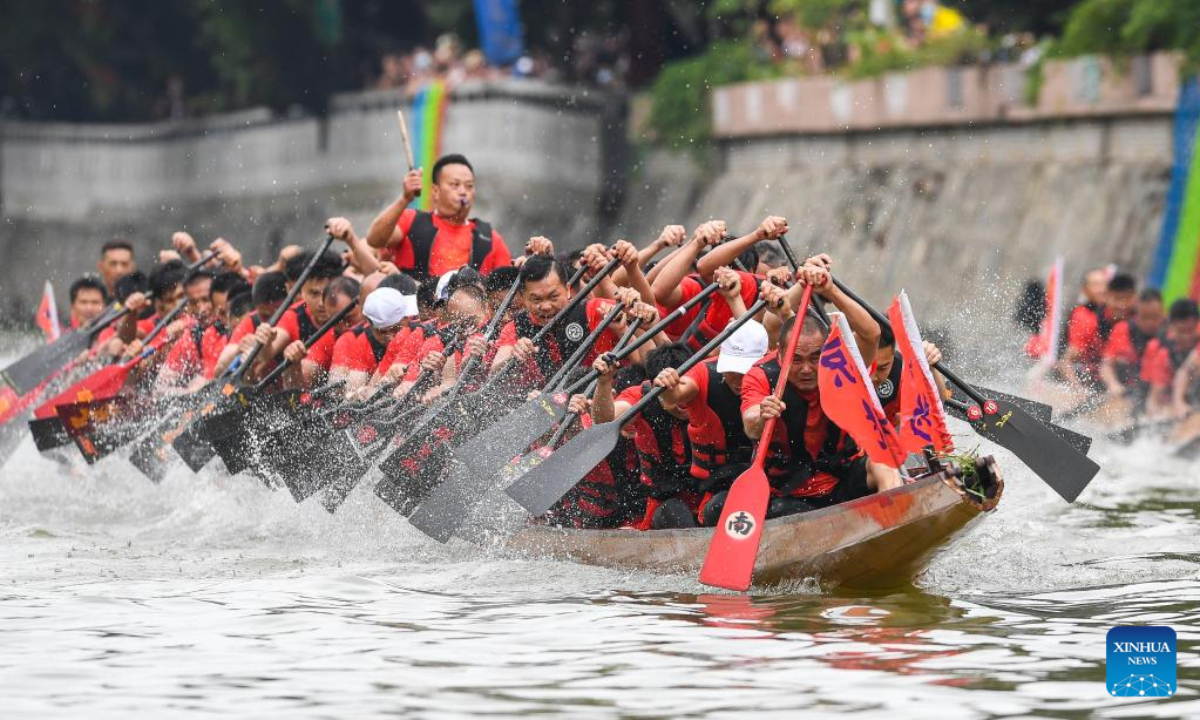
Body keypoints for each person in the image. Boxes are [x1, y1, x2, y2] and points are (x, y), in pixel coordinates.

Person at [734, 260, 897, 520]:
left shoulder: (839, 365)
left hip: (842, 476)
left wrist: (831, 290)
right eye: (797, 360)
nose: (807, 369)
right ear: (782, 353)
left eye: (815, 358)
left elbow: (871, 334)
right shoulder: (761, 375)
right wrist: (762, 415)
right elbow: (750, 423)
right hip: (789, 493)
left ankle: (895, 520)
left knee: (884, 461)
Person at [592, 344, 696, 530]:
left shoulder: (704, 380)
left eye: (682, 393)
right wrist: (604, 382)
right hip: (664, 501)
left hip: (706, 492)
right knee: (675, 512)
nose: (682, 404)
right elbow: (604, 421)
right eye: (671, 394)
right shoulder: (641, 396)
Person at [365, 153, 512, 281]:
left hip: (470, 312)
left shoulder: (490, 239)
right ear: (435, 191)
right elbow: (374, 239)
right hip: (413, 308)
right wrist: (405, 199)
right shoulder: (411, 221)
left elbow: (506, 290)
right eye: (455, 185)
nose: (463, 192)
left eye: (469, 186)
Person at [329, 287, 418, 396]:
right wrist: (359, 394)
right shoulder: (363, 341)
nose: (391, 338)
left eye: (395, 329)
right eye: (383, 332)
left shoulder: (419, 327)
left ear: (406, 318)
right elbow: (352, 391)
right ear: (369, 325)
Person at [1060, 270, 1133, 394]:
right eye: (1118, 299)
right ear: (1107, 296)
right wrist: (1079, 391)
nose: (1122, 305)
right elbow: (1065, 362)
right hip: (1081, 378)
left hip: (1108, 383)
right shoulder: (1086, 318)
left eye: (1126, 300)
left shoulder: (1132, 323)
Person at [1100, 287, 1165, 411]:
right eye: (1145, 317)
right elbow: (1106, 366)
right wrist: (1113, 385)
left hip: (1156, 397)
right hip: (1125, 393)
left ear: (1163, 313)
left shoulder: (1172, 335)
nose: (1150, 322)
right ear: (1136, 314)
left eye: (1155, 317)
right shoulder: (1122, 329)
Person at [1142, 299, 1200, 418]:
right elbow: (1154, 397)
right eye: (1181, 331)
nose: (1186, 337)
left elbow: (1186, 370)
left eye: (1190, 330)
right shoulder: (1164, 353)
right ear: (1171, 328)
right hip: (1178, 404)